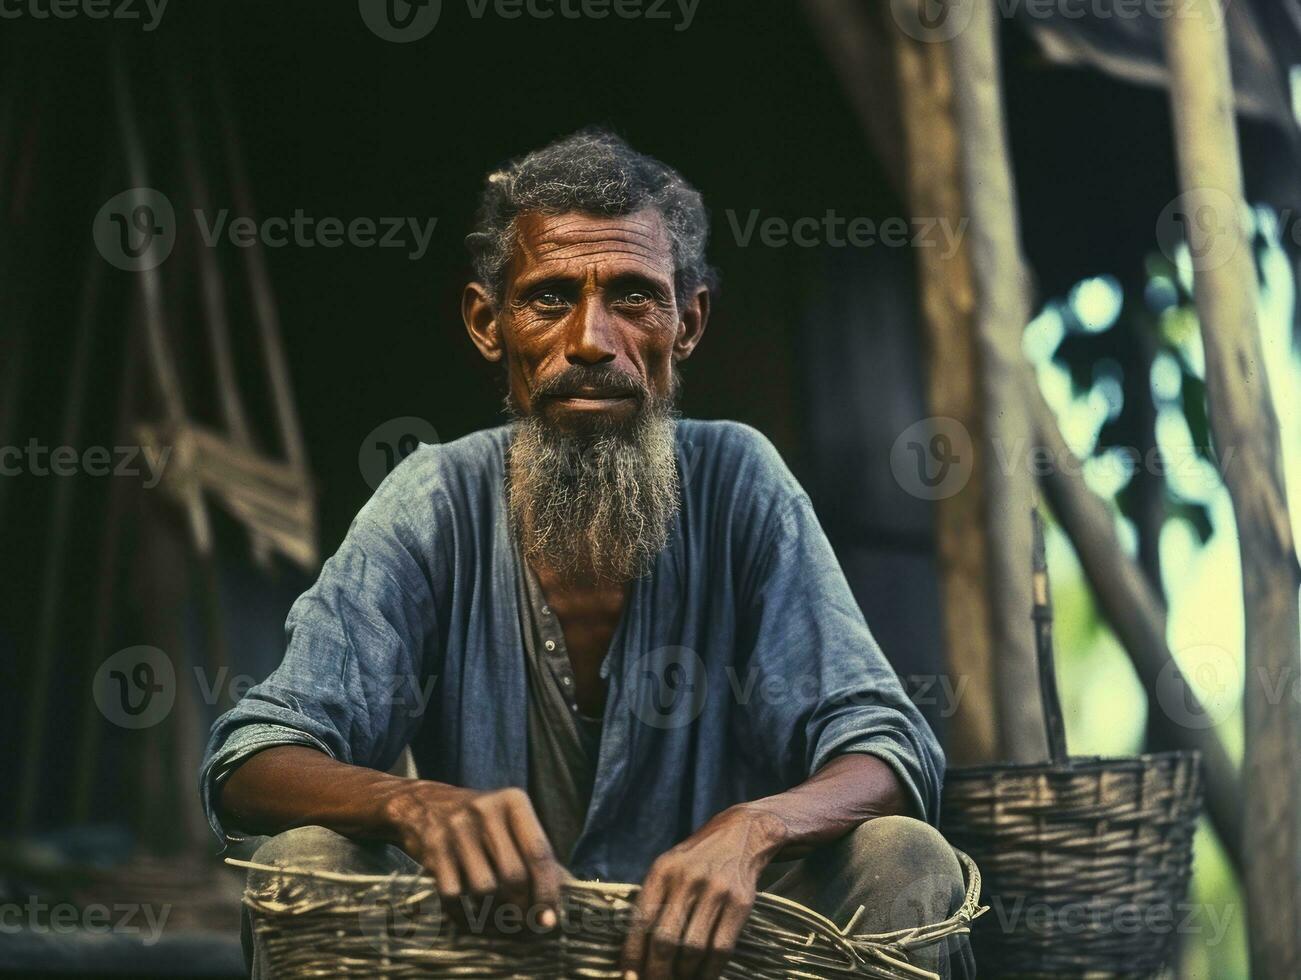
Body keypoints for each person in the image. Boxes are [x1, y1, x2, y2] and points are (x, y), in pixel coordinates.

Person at [200, 128, 973, 980]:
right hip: (492, 948)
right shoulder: (433, 501)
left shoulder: (739, 482)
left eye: (634, 299)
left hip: (713, 955)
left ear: (687, 324)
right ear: (487, 325)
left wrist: (754, 830)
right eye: (549, 298)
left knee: (903, 856)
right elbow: (254, 756)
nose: (590, 342)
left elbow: (889, 747)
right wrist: (411, 804)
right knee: (304, 862)